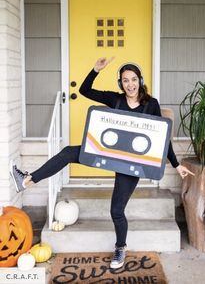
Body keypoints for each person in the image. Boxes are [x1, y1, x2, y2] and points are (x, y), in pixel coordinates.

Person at [10, 57, 194, 269]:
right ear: (120, 83)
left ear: (140, 80)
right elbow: (85, 90)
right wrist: (96, 70)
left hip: (131, 162)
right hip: (108, 152)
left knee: (116, 210)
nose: (130, 84)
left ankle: (120, 248)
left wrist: (176, 163)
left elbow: (162, 138)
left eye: (134, 79)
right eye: (125, 80)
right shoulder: (114, 99)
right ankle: (28, 180)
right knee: (69, 152)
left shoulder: (151, 104)